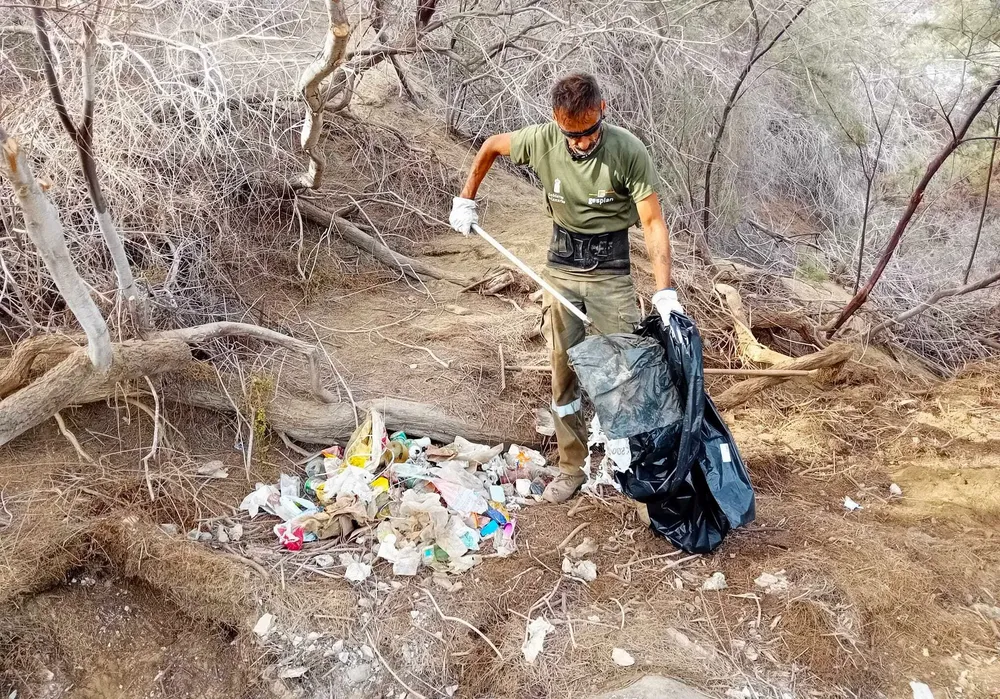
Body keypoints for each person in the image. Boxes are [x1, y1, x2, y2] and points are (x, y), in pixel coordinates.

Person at [450, 72, 683, 504]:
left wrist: (664, 290)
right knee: (564, 373)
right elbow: (490, 147)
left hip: (611, 272)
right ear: (557, 121)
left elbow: (651, 221)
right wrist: (466, 197)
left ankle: (636, 471)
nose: (579, 143)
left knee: (626, 373)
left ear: (602, 110)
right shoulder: (542, 140)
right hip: (560, 270)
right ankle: (571, 465)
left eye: (588, 132)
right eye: (570, 134)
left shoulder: (628, 151)